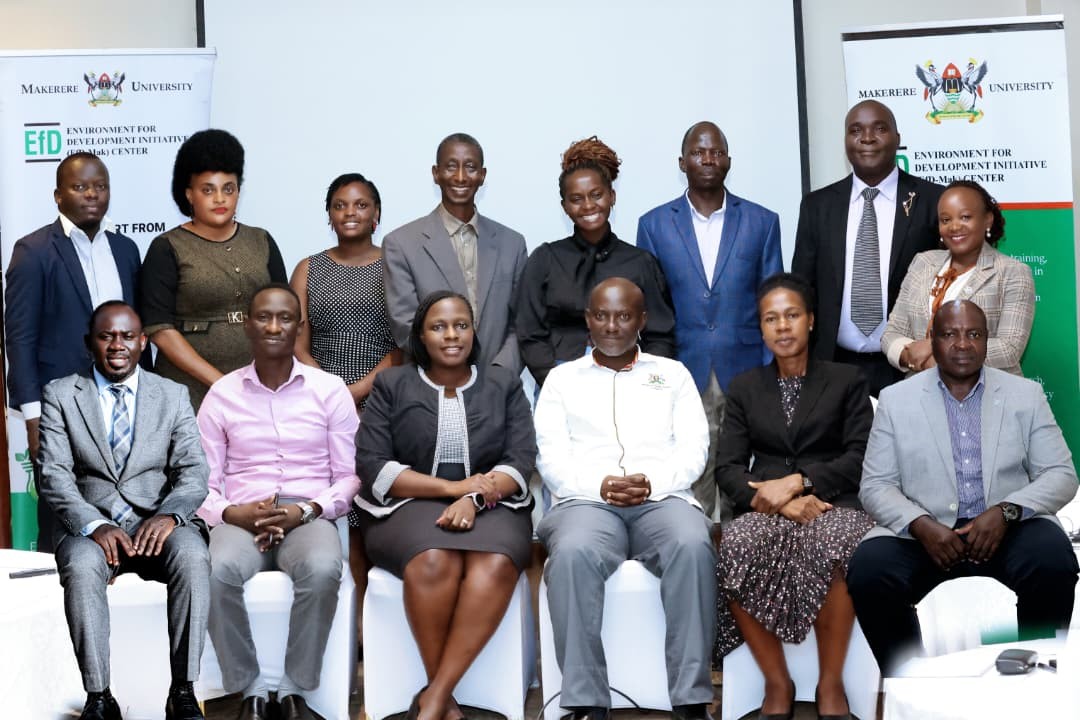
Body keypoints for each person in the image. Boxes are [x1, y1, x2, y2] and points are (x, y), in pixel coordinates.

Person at [847, 300, 1079, 676]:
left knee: (1052, 559)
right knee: (869, 570)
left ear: (986, 341)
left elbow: (1061, 474)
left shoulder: (1025, 395)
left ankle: (1034, 676)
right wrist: (920, 524)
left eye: (973, 334)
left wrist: (1007, 511)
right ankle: (911, 683)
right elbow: (875, 485)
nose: (962, 344)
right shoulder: (896, 399)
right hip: (924, 533)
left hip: (1006, 527)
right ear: (933, 340)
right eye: (949, 334)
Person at [535, 277, 716, 720]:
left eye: (623, 316)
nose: (611, 325)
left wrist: (652, 483)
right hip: (585, 501)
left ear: (642, 320)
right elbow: (550, 458)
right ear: (588, 319)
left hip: (663, 498)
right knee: (573, 553)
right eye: (601, 315)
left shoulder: (672, 375)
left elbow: (694, 450)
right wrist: (598, 485)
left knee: (693, 545)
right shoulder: (561, 380)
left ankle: (691, 699)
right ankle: (585, 702)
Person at [355, 290, 534, 720]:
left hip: (494, 503)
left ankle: (435, 698)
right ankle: (443, 698)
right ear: (420, 335)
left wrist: (474, 496)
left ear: (473, 331)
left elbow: (520, 460)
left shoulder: (503, 383)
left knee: (495, 562)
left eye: (460, 325)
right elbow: (373, 465)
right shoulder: (392, 384)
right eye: (438, 327)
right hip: (405, 504)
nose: (451, 335)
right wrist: (452, 490)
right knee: (434, 559)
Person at [38, 301, 210, 720]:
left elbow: (194, 471)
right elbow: (53, 475)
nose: (118, 345)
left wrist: (169, 516)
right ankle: (99, 697)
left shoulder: (171, 394)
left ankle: (183, 691)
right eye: (106, 336)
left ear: (143, 342)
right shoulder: (61, 394)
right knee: (81, 566)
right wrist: (94, 524)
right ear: (90, 343)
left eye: (127, 336)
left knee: (192, 554)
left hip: (157, 523)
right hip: (91, 529)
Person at [714, 273, 873, 720]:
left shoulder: (847, 379)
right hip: (769, 507)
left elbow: (861, 456)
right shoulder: (745, 387)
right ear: (761, 329)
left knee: (835, 540)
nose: (782, 326)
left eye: (792, 315)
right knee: (736, 543)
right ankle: (777, 682)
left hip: (833, 501)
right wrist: (781, 500)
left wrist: (801, 482)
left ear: (811, 321)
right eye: (771, 319)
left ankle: (830, 683)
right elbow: (727, 468)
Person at [197, 284, 360, 720]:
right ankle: (249, 688)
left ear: (299, 327)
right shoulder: (222, 394)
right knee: (211, 570)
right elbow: (201, 483)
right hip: (240, 515)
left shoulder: (330, 390)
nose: (274, 327)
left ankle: (293, 690)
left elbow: (348, 477)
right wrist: (233, 513)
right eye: (264, 317)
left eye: (285, 318)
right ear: (247, 325)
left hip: (306, 514)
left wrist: (304, 511)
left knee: (323, 567)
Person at [637, 121, 783, 521]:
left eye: (716, 152)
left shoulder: (762, 221)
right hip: (683, 371)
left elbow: (773, 301)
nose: (707, 159)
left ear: (728, 162)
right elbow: (652, 306)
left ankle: (742, 555)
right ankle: (698, 553)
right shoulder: (653, 224)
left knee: (745, 482)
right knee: (691, 482)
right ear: (681, 162)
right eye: (698, 152)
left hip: (748, 371)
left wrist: (771, 369)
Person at [5, 151, 142, 551]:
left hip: (122, 404)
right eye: (80, 187)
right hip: (61, 409)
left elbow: (138, 331)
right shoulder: (33, 251)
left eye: (100, 186)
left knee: (125, 510)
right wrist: (34, 419)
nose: (92, 194)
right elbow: (20, 339)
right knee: (63, 519)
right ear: (58, 196)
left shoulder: (126, 249)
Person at [290, 172, 400, 648]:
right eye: (340, 205)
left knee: (371, 515)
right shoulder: (308, 268)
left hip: (382, 398)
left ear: (377, 214)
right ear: (329, 214)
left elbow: (403, 344)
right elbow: (296, 340)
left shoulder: (396, 264)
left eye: (360, 205)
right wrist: (332, 392)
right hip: (316, 400)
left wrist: (356, 392)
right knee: (333, 510)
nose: (350, 213)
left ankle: (376, 629)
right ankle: (344, 632)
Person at [792, 100, 944, 396]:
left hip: (910, 367)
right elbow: (802, 288)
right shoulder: (817, 206)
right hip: (833, 366)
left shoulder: (932, 200)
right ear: (845, 141)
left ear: (897, 139)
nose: (867, 138)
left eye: (880, 129)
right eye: (855, 130)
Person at [141, 128, 287, 411]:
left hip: (256, 385)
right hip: (187, 390)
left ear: (238, 192)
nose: (220, 198)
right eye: (208, 190)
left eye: (228, 189)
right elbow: (160, 329)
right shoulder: (167, 247)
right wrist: (221, 383)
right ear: (189, 194)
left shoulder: (261, 240)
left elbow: (284, 313)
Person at [517, 135, 675, 387]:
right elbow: (529, 332)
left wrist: (643, 383)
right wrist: (554, 382)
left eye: (596, 195)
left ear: (612, 196)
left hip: (628, 379)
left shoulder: (640, 262)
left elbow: (660, 334)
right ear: (564, 206)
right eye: (576, 199)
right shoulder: (545, 259)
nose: (588, 205)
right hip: (560, 376)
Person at [383, 132, 527, 372]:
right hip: (430, 383)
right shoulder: (400, 244)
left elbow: (521, 323)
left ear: (482, 175)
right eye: (451, 166)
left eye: (470, 167)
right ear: (436, 173)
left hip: (497, 384)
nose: (460, 176)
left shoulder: (513, 244)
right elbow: (405, 325)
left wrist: (499, 375)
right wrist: (455, 377)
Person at [882, 179, 1034, 377]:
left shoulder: (1013, 272)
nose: (954, 226)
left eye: (965, 217)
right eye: (945, 220)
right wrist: (910, 357)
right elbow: (892, 333)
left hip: (988, 391)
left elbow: (1009, 349)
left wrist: (937, 352)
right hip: (920, 389)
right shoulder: (922, 262)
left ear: (987, 220)